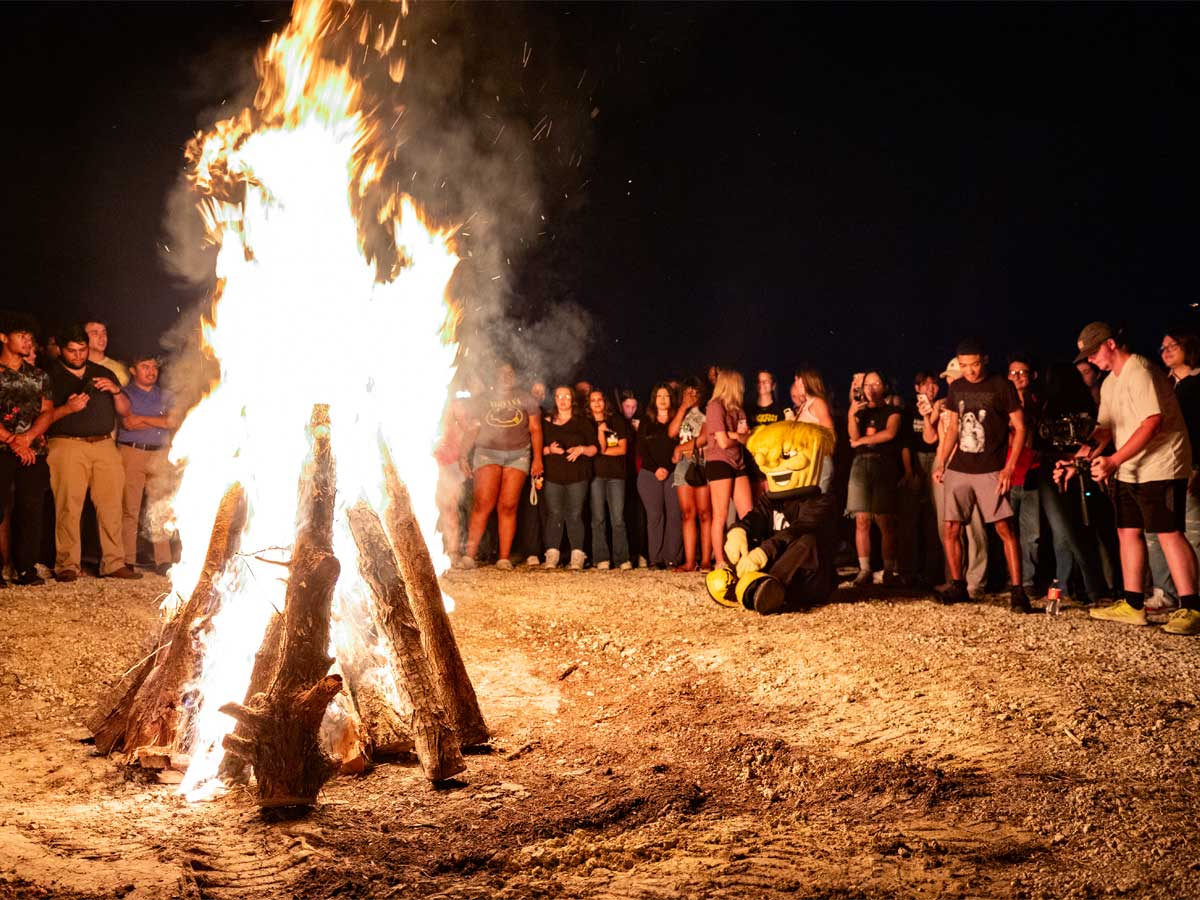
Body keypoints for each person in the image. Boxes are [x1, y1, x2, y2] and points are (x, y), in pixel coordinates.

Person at [1067, 322, 1199, 635]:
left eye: (1093, 351)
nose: (1090, 359)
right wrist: (1077, 461)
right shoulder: (1110, 382)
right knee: (1127, 531)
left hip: (1161, 464)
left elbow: (1152, 422)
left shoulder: (1140, 371)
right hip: (1130, 466)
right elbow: (1104, 428)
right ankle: (1133, 603)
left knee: (1169, 532)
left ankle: (1191, 606)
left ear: (1111, 344)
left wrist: (1113, 459)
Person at [932, 339, 1029, 612]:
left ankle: (1018, 591)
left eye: (974, 364)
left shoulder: (1001, 386)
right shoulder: (958, 387)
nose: (970, 371)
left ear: (983, 360)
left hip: (990, 469)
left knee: (1003, 528)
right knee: (951, 527)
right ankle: (958, 585)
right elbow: (952, 429)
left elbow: (1020, 427)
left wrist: (1009, 467)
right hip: (959, 467)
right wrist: (942, 462)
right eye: (963, 366)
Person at [708, 420, 838, 614]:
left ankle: (759, 586)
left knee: (807, 541)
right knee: (742, 539)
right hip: (774, 569)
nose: (773, 465)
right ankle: (748, 584)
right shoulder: (770, 500)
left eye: (786, 456)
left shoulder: (822, 501)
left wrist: (763, 553)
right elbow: (754, 517)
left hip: (809, 581)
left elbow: (798, 530)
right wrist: (738, 531)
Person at [44, 324, 139, 581]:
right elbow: (42, 417)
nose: (78, 355)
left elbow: (126, 411)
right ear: (61, 350)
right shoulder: (50, 376)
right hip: (66, 444)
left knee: (110, 505)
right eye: (72, 351)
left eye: (82, 350)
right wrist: (68, 409)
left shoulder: (103, 372)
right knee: (69, 505)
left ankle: (113, 562)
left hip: (104, 444)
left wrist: (116, 391)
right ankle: (67, 564)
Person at [1036, 362, 1110, 605]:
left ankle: (1093, 589)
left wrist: (1072, 459)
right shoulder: (1072, 401)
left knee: (1074, 532)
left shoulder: (1068, 403)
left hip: (1071, 468)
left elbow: (1098, 434)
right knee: (1070, 532)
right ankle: (1074, 587)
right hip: (1068, 467)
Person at [460, 361, 542, 570]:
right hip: (487, 453)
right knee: (483, 504)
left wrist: (538, 459)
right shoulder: (483, 400)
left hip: (518, 455)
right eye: (502, 373)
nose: (507, 376)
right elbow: (472, 429)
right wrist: (462, 455)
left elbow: (535, 429)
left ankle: (503, 558)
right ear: (495, 376)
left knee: (508, 505)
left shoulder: (525, 397)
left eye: (510, 373)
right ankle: (469, 556)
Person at [1145, 331, 1200, 609]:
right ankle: (1164, 591)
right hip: (1160, 466)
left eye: (1172, 345)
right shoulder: (1162, 385)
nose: (1165, 351)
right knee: (1155, 532)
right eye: (1162, 346)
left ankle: (1193, 596)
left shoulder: (1197, 383)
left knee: (1191, 533)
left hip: (1190, 465)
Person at [0, 312, 54, 587]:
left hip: (33, 450)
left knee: (31, 509)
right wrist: (12, 439)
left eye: (30, 337)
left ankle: (25, 568)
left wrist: (28, 438)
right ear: (3, 338)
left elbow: (47, 411)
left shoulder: (38, 376)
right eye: (22, 335)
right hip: (2, 449)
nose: (28, 341)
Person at [927, 358, 988, 599]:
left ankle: (976, 581)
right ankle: (954, 579)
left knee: (975, 527)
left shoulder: (974, 402)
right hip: (944, 463)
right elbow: (931, 439)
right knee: (947, 526)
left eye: (952, 377)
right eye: (948, 379)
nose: (949, 382)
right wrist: (930, 415)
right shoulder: (944, 404)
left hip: (970, 464)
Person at [118, 353, 177, 574]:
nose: (151, 371)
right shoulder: (125, 394)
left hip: (160, 454)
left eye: (154, 367)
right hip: (132, 451)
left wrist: (141, 419)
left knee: (159, 507)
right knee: (129, 507)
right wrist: (157, 422)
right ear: (133, 370)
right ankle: (126, 559)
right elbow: (127, 423)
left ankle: (163, 560)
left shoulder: (166, 395)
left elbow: (172, 421)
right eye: (145, 366)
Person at [846, 371, 902, 586]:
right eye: (867, 384)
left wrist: (861, 441)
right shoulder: (859, 411)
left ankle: (888, 570)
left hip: (883, 463)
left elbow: (890, 433)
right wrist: (852, 415)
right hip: (860, 465)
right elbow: (852, 436)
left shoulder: (892, 411)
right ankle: (865, 569)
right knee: (861, 519)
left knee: (884, 520)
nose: (871, 388)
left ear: (883, 386)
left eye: (876, 383)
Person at [541, 385, 598, 569]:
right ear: (554, 399)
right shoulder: (547, 422)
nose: (563, 400)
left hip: (577, 475)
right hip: (553, 475)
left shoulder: (582, 422)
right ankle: (552, 556)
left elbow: (595, 448)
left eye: (566, 396)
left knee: (574, 514)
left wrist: (581, 449)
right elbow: (537, 448)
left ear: (572, 399)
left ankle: (577, 557)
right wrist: (549, 450)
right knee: (554, 514)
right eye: (559, 396)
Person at [898, 371, 944, 587]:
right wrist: (909, 471)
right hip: (916, 460)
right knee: (910, 518)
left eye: (934, 384)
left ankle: (932, 572)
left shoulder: (943, 407)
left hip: (936, 459)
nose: (931, 388)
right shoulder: (908, 409)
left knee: (934, 518)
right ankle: (908, 571)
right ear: (917, 388)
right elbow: (906, 443)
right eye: (926, 385)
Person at [705, 369, 754, 568]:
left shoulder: (738, 409)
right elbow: (723, 442)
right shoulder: (715, 406)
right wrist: (737, 437)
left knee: (749, 514)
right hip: (719, 462)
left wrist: (736, 436)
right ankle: (720, 561)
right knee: (720, 515)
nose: (743, 388)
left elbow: (745, 436)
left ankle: (747, 557)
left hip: (738, 462)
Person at [669, 377, 712, 572]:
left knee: (704, 513)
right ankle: (689, 562)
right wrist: (682, 409)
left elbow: (704, 439)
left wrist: (680, 447)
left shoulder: (707, 412)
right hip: (683, 465)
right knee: (688, 514)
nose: (692, 396)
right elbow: (671, 432)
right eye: (688, 393)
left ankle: (705, 560)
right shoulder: (681, 414)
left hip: (701, 463)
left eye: (695, 393)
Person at [1007, 355, 1041, 596]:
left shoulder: (1039, 404)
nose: (1018, 377)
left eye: (1023, 372)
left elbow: (1031, 439)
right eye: (1013, 373)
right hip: (1008, 474)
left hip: (1032, 473)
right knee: (1007, 531)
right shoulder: (1003, 405)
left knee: (1032, 533)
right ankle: (1011, 579)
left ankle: (1027, 581)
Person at [637, 384, 682, 568]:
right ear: (654, 399)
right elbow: (642, 449)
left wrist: (668, 467)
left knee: (674, 515)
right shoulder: (646, 422)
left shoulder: (678, 421)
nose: (663, 399)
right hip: (649, 473)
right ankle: (655, 559)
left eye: (666, 396)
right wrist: (656, 469)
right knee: (654, 516)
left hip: (673, 472)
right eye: (659, 396)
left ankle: (672, 558)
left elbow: (680, 447)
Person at [587, 389, 631, 570]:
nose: (597, 403)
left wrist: (603, 450)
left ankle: (622, 558)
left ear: (605, 402)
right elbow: (598, 447)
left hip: (616, 475)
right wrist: (599, 432)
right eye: (593, 400)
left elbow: (622, 449)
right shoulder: (586, 423)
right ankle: (601, 557)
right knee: (597, 518)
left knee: (618, 518)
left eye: (600, 400)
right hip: (595, 475)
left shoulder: (617, 421)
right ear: (588, 404)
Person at [788, 369, 835, 493]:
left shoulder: (817, 403)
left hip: (818, 461)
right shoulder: (804, 405)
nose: (796, 384)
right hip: (805, 461)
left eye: (797, 380)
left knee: (817, 504)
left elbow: (829, 433)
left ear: (805, 382)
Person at [618, 389, 648, 567]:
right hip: (622, 475)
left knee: (641, 516)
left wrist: (639, 432)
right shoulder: (616, 422)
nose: (630, 409)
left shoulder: (642, 423)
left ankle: (643, 553)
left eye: (634, 406)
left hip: (639, 473)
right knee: (623, 516)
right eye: (627, 406)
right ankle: (627, 554)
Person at [746, 371, 783, 500]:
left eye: (765, 381)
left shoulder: (780, 410)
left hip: (772, 465)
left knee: (773, 504)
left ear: (773, 385)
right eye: (759, 381)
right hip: (752, 465)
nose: (762, 384)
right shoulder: (748, 410)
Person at [83, 319, 130, 387]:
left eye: (104, 333)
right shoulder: (77, 367)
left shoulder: (119, 370)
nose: (102, 337)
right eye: (95, 333)